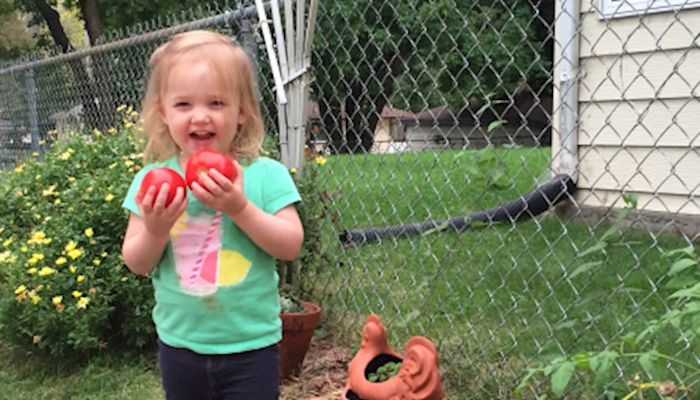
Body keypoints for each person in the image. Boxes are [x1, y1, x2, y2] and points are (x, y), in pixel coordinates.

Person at [121, 30, 304, 400]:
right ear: (164, 113)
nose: (200, 116)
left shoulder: (264, 175)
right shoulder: (152, 182)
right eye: (184, 104)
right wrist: (155, 229)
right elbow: (136, 262)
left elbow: (290, 245)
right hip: (180, 346)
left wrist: (239, 208)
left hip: (251, 347)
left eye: (217, 103)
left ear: (242, 112)